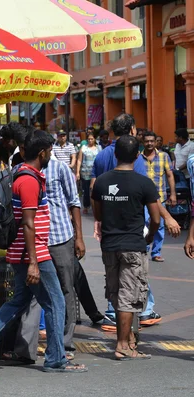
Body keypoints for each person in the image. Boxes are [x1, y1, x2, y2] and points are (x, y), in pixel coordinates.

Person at [0, 130, 87, 373]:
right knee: (55, 302)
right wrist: (33, 263)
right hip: (34, 253)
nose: (51, 155)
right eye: (49, 151)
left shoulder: (20, 173)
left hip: (22, 252)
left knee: (20, 300)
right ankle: (56, 359)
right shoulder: (28, 180)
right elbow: (28, 223)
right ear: (42, 153)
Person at [90, 113, 180, 331]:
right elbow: (147, 192)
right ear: (131, 129)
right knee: (134, 267)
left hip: (110, 224)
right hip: (133, 222)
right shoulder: (133, 156)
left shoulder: (101, 156)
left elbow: (93, 189)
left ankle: (115, 311)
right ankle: (143, 310)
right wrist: (166, 217)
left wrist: (99, 219)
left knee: (116, 269)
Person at [92, 135, 160, 360]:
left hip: (109, 245)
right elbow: (156, 219)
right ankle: (123, 344)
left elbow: (97, 212)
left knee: (115, 291)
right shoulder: (144, 183)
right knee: (129, 295)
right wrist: (149, 236)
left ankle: (128, 338)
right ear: (137, 155)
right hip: (133, 245)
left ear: (115, 154)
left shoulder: (101, 181)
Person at [141, 131, 176, 264]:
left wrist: (172, 193)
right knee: (143, 224)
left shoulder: (164, 156)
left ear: (156, 142)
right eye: (147, 141)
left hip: (159, 198)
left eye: (152, 141)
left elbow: (169, 175)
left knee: (160, 226)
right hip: (142, 198)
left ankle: (156, 252)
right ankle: (143, 248)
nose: (149, 143)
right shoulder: (138, 157)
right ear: (142, 142)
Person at [76, 132, 101, 214]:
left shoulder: (99, 148)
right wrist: (77, 172)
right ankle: (86, 206)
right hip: (85, 173)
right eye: (89, 139)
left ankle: (96, 207)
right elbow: (79, 160)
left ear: (94, 139)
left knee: (96, 190)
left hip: (96, 173)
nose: (90, 140)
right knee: (86, 191)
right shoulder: (83, 148)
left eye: (92, 139)